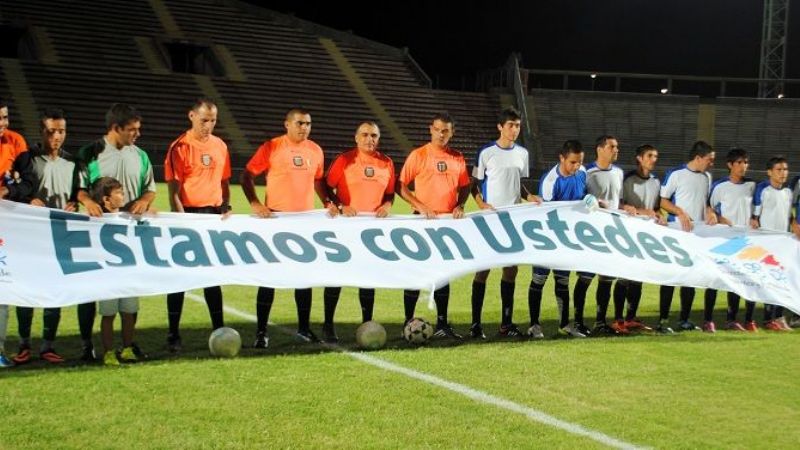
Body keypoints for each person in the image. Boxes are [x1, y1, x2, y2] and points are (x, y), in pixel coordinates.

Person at [241, 107, 330, 348]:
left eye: (308, 124)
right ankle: (261, 332)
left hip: (306, 222)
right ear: (287, 124)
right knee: (269, 277)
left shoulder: (315, 150)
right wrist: (256, 203)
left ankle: (303, 328)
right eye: (300, 123)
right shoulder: (272, 147)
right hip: (276, 221)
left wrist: (329, 202)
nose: (305, 128)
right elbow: (247, 175)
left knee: (304, 277)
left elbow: (319, 180)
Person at [76, 103, 156, 361]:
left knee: (131, 294)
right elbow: (77, 187)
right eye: (132, 130)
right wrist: (87, 202)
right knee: (94, 294)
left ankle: (128, 345)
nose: (137, 134)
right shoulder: (90, 153)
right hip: (98, 237)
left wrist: (145, 201)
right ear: (115, 128)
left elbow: (150, 188)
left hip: (131, 236)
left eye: (138, 129)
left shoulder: (141, 156)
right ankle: (90, 343)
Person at [163, 98, 231, 352]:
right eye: (204, 120)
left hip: (212, 215)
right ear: (191, 116)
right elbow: (173, 191)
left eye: (213, 120)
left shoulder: (220, 145)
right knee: (180, 277)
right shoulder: (180, 147)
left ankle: (219, 328)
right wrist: (183, 222)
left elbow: (224, 181)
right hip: (188, 216)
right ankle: (173, 333)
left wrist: (226, 204)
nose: (209, 125)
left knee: (212, 276)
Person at [469, 107, 540, 339]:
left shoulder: (523, 153)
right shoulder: (487, 152)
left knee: (511, 271)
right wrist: (481, 204)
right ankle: (475, 325)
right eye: (510, 125)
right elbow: (474, 184)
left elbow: (518, 183)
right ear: (500, 127)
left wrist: (529, 196)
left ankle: (506, 324)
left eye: (517, 125)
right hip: (490, 220)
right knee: (482, 271)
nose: (515, 129)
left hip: (512, 220)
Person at [13, 108, 78, 365]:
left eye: (61, 131)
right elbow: (18, 191)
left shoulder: (72, 163)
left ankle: (48, 345)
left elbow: (76, 195)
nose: (56, 136)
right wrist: (29, 199)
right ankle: (24, 345)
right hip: (30, 235)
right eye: (51, 131)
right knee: (26, 290)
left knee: (54, 290)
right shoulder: (28, 160)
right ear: (42, 132)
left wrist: (74, 204)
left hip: (59, 234)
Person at [321, 121, 395, 343]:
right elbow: (325, 185)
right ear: (356, 138)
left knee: (368, 277)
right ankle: (328, 325)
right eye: (364, 135)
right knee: (337, 276)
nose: (369, 139)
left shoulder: (386, 163)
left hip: (371, 231)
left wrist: (388, 205)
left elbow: (390, 194)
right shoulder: (344, 160)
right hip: (345, 228)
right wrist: (340, 205)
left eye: (373, 135)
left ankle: (367, 323)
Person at [399, 112, 470, 339]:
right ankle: (407, 321)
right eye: (438, 129)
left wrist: (459, 204)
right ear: (431, 129)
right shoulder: (418, 155)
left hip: (446, 225)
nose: (441, 134)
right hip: (421, 223)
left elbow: (466, 185)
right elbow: (400, 186)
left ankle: (442, 323)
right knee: (414, 272)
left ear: (452, 132)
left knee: (443, 274)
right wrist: (420, 205)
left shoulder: (457, 157)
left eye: (446, 130)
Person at [573, 135, 636, 336]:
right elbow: (577, 199)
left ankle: (600, 322)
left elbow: (617, 201)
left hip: (611, 233)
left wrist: (628, 208)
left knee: (606, 279)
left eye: (616, 147)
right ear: (600, 149)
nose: (616, 150)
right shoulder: (586, 172)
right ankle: (578, 321)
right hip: (591, 234)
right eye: (612, 147)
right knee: (585, 278)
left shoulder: (618, 172)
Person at [527, 140, 587, 338]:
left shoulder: (582, 173)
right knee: (539, 280)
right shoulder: (550, 182)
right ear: (562, 158)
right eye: (572, 162)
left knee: (563, 281)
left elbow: (582, 197)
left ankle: (564, 323)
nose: (576, 166)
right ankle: (534, 325)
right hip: (547, 238)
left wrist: (591, 200)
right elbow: (548, 215)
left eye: (579, 162)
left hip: (567, 238)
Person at [658, 141, 718, 332]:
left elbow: (705, 201)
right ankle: (663, 321)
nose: (711, 163)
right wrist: (680, 212)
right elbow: (663, 200)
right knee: (671, 277)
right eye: (709, 159)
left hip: (696, 234)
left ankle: (684, 320)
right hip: (676, 232)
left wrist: (710, 212)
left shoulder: (707, 177)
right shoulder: (676, 174)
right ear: (698, 158)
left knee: (691, 278)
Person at [0, 99, 36, 368]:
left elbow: (29, 183)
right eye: (0, 118)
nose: (4, 124)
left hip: (8, 226)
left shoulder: (16, 142)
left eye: (5, 118)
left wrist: (8, 192)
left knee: (4, 287)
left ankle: (1, 348)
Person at [706, 148, 758, 332]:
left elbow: (757, 208)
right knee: (715, 279)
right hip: (723, 240)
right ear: (730, 165)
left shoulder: (752, 185)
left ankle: (733, 319)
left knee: (741, 279)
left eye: (746, 162)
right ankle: (708, 320)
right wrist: (718, 218)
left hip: (745, 240)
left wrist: (754, 218)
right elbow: (708, 208)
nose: (743, 166)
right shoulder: (720, 186)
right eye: (739, 163)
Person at [615, 144, 664, 332]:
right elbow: (620, 205)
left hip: (645, 236)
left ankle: (631, 317)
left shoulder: (656, 182)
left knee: (638, 277)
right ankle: (618, 319)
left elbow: (657, 208)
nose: (653, 159)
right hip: (627, 234)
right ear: (639, 158)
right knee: (623, 277)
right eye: (650, 156)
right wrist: (644, 211)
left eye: (655, 156)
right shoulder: (626, 180)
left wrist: (659, 216)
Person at [90, 177, 139, 365]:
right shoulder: (96, 219)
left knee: (128, 313)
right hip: (107, 276)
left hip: (128, 274)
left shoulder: (128, 216)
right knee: (108, 315)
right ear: (106, 199)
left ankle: (127, 349)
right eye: (118, 193)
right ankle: (108, 352)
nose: (123, 195)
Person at [752, 156, 797, 331]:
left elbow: (788, 215)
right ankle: (767, 318)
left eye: (785, 169)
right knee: (766, 281)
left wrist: (793, 223)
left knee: (782, 281)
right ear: (769, 172)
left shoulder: (787, 192)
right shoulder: (763, 190)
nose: (783, 173)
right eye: (779, 169)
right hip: (766, 245)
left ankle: (777, 317)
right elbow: (754, 216)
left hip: (783, 244)